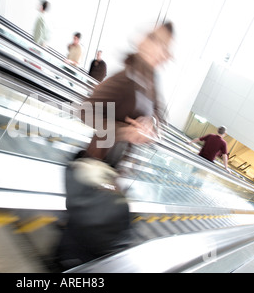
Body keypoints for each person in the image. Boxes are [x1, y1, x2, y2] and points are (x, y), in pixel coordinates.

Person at [56, 22, 174, 269]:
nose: (161, 53)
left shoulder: (150, 83)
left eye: (165, 48)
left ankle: (70, 259)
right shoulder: (125, 78)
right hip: (97, 162)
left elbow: (159, 118)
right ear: (144, 43)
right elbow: (85, 111)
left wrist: (149, 125)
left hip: (116, 170)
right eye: (158, 44)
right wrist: (126, 131)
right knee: (84, 229)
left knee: (89, 225)